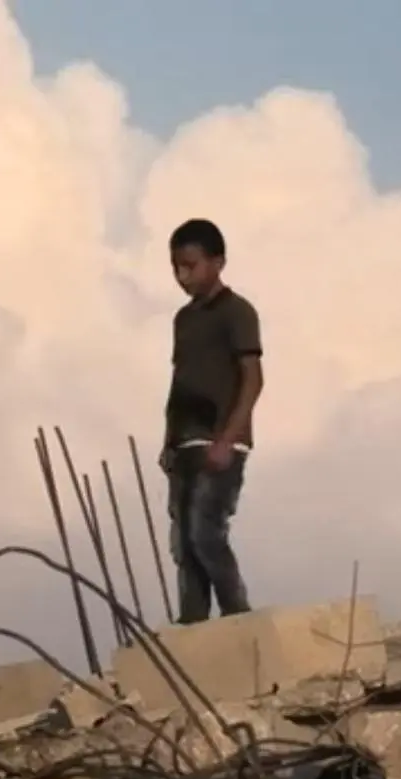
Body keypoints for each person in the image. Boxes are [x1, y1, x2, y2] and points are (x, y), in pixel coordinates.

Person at [160, 218, 264, 624]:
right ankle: (194, 627)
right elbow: (180, 381)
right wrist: (169, 442)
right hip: (184, 441)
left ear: (217, 262)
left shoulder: (237, 312)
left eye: (190, 265)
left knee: (206, 534)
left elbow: (253, 379)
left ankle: (238, 618)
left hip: (220, 440)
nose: (183, 276)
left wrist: (228, 438)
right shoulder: (183, 320)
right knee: (184, 545)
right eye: (176, 268)